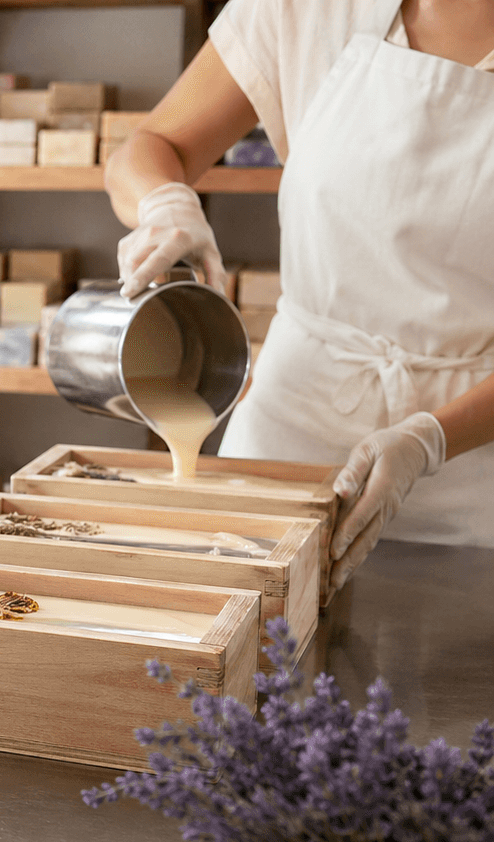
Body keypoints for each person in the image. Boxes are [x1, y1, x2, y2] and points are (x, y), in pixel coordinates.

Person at [104, 0, 494, 591]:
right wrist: (162, 203)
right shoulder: (302, 8)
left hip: (470, 466)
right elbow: (156, 142)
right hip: (289, 426)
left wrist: (429, 440)